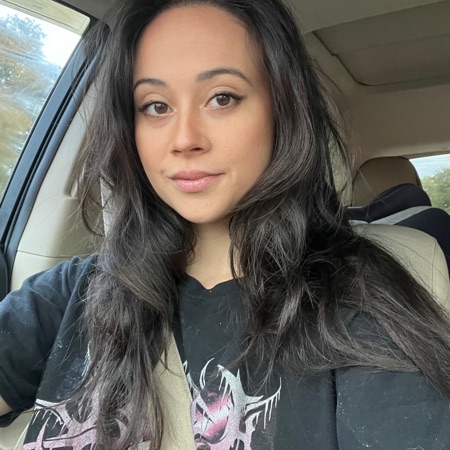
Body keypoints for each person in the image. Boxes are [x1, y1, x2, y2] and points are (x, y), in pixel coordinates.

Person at [1, 0, 450, 448]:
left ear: (284, 111)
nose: (184, 139)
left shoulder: (362, 301)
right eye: (155, 106)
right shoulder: (75, 291)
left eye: (222, 98)